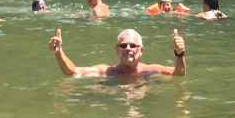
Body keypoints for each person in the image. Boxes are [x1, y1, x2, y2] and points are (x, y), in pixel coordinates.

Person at [48, 26, 186, 78]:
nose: (128, 48)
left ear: (141, 50)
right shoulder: (106, 72)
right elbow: (72, 72)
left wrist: (180, 54)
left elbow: (179, 73)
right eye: (123, 45)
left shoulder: (151, 70)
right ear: (117, 50)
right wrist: (59, 52)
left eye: (133, 45)